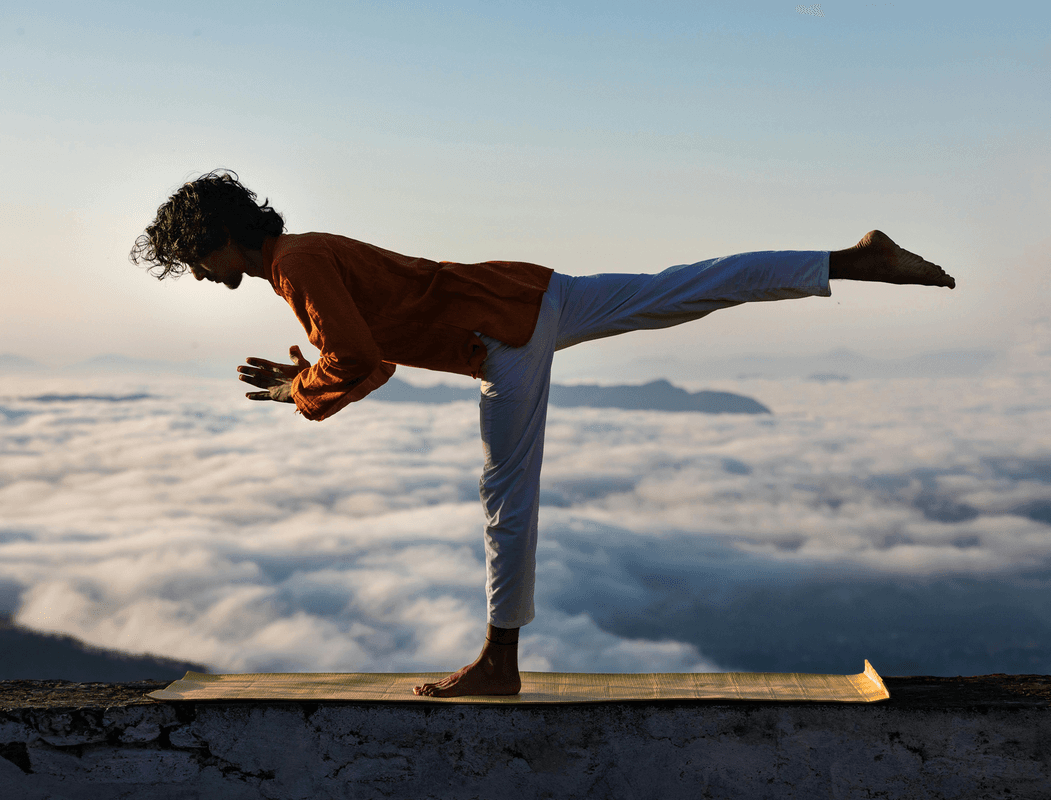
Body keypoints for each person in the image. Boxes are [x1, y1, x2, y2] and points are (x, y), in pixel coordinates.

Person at [131, 169, 955, 698]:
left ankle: (498, 663)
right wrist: (304, 385)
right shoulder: (304, 256)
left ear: (216, 238)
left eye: (195, 260)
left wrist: (301, 390)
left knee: (505, 499)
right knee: (689, 286)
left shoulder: (294, 264)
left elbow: (353, 358)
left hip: (502, 339)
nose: (201, 277)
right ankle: (850, 260)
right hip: (533, 294)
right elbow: (369, 361)